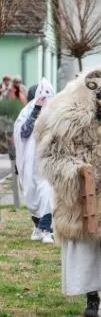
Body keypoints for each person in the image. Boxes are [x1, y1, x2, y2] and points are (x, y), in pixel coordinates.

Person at [36, 67, 101, 317]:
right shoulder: (69, 123)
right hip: (79, 198)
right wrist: (77, 171)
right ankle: (91, 297)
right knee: (85, 248)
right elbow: (51, 159)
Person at [13, 80, 55, 244]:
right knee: (32, 196)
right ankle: (38, 227)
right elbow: (23, 133)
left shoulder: (53, 113)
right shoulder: (26, 113)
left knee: (46, 193)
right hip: (30, 163)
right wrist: (36, 110)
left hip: (46, 163)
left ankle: (46, 229)